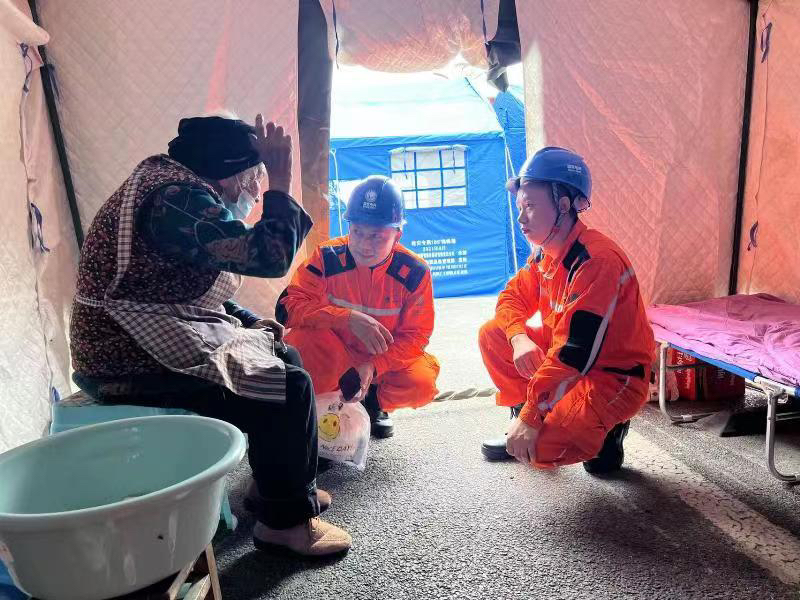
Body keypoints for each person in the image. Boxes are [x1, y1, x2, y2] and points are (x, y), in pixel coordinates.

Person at [69, 112, 351, 556]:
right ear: (227, 176)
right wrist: (281, 180)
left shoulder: (170, 183)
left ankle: (275, 488)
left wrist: (247, 320)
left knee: (284, 355)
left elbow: (181, 287)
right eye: (252, 179)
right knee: (287, 386)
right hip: (122, 355)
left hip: (148, 331)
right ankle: (285, 525)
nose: (254, 190)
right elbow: (269, 257)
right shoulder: (175, 199)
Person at [478, 147, 654, 473]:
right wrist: (518, 337)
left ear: (563, 205)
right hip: (568, 362)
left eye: (531, 206)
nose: (521, 218)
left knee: (543, 448)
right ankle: (522, 420)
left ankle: (610, 430)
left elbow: (576, 350)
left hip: (611, 377)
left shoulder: (597, 260)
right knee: (494, 333)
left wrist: (534, 414)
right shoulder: (544, 254)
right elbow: (510, 299)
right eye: (520, 207)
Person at [277, 176, 439, 438]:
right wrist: (344, 318)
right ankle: (324, 404)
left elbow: (416, 336)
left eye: (376, 236)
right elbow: (288, 307)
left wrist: (374, 366)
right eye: (357, 232)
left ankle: (372, 404)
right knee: (300, 342)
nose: (364, 245)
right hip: (335, 354)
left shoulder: (414, 272)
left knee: (420, 381)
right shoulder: (326, 257)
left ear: (397, 235)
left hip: (382, 362)